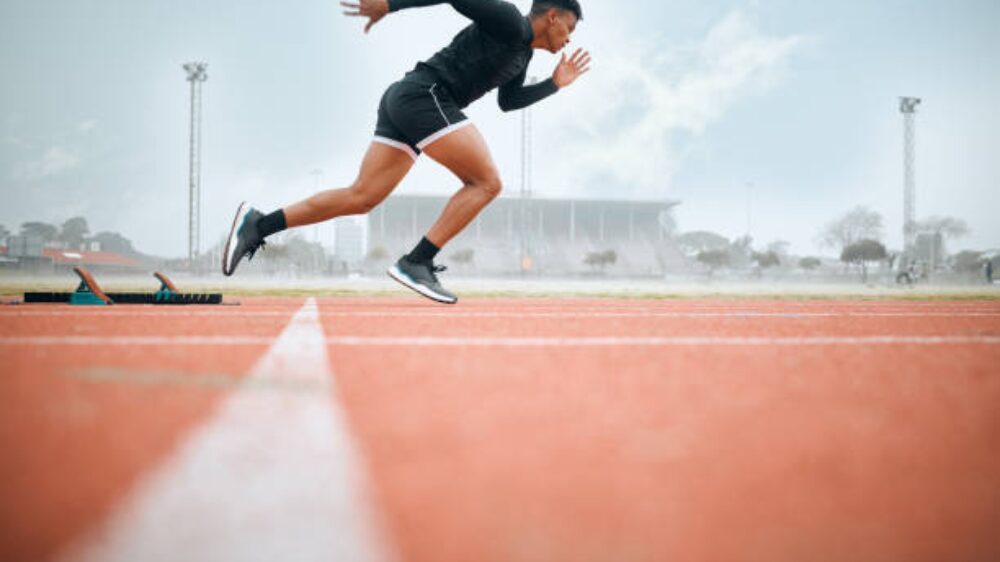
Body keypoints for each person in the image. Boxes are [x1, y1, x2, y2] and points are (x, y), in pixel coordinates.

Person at [221, 0, 590, 304]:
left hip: (409, 100)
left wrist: (554, 86)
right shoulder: (511, 22)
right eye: (569, 29)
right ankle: (417, 262)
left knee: (362, 196)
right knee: (487, 183)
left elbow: (508, 103)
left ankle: (259, 224)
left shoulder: (522, 57)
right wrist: (390, 5)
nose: (568, 39)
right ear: (552, 16)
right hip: (424, 95)